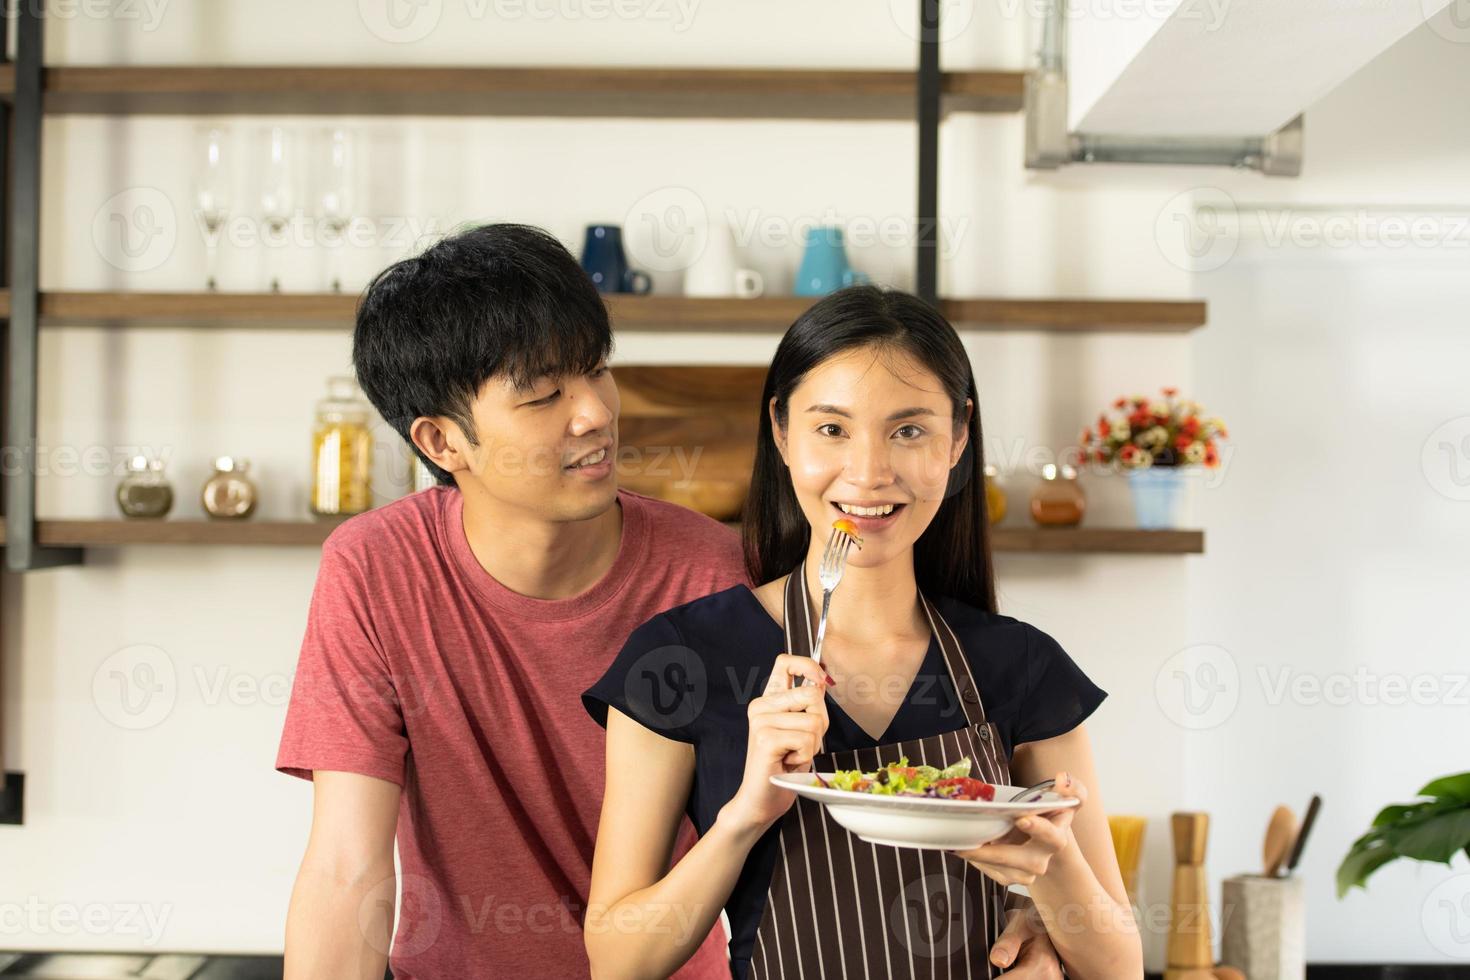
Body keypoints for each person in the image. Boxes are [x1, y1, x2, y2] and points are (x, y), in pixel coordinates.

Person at [583, 286, 1144, 979]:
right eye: (832, 429)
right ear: (782, 432)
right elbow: (616, 960)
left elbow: (1118, 964)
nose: (870, 473)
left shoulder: (1019, 664)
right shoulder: (682, 658)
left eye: (909, 430)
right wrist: (745, 816)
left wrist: (1051, 882)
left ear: (958, 438)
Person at [274, 224, 744, 979]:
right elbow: (345, 868)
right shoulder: (375, 570)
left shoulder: (714, 574)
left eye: (596, 370)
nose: (593, 412)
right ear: (441, 442)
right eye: (544, 394)